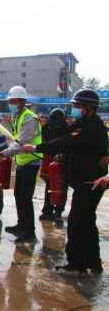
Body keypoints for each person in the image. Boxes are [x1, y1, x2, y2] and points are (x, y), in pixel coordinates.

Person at [23, 89, 108, 274]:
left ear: (89, 108)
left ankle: (76, 264)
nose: (75, 109)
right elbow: (67, 137)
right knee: (86, 221)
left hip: (90, 182)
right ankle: (93, 262)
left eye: (77, 106)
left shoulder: (91, 128)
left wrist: (37, 147)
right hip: (85, 181)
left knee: (77, 221)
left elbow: (67, 142)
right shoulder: (83, 124)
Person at [0, 86, 43, 244]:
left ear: (22, 102)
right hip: (22, 162)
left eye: (13, 102)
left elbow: (20, 144)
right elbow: (15, 140)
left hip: (31, 161)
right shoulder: (19, 117)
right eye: (9, 102)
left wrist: (1, 153)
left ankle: (30, 233)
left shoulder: (29, 118)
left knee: (25, 197)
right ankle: (21, 225)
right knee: (18, 194)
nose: (10, 105)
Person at [39, 108, 69, 220]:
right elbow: (44, 141)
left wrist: (64, 153)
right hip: (50, 159)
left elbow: (68, 143)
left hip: (63, 161)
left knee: (62, 185)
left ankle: (59, 209)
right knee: (49, 185)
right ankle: (47, 210)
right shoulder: (47, 127)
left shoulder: (67, 129)